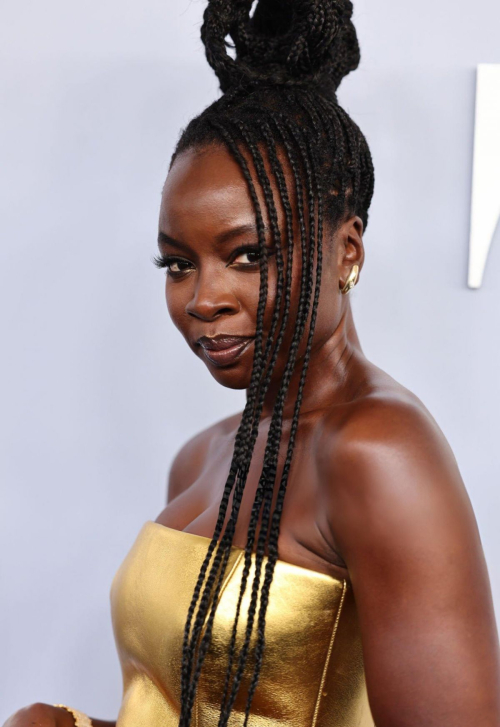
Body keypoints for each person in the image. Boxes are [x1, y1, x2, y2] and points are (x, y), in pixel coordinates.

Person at [6, 0, 500, 726]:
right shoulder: (201, 457)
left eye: (248, 255)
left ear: (347, 251)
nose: (204, 298)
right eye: (178, 263)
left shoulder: (376, 450)